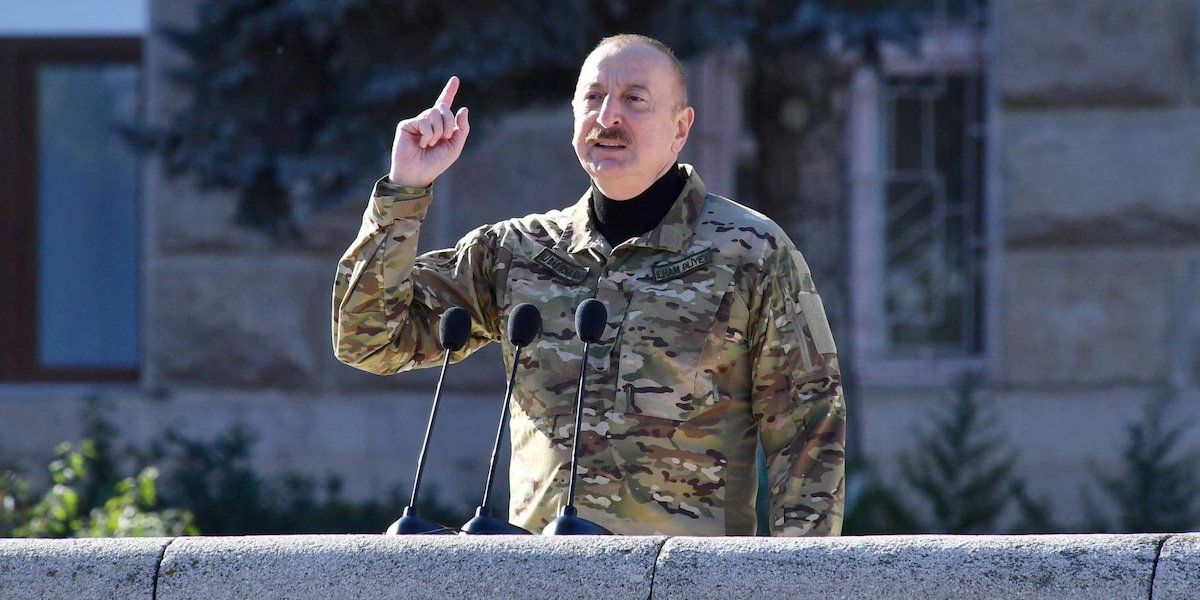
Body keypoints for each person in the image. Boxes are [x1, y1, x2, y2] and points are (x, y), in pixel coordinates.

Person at [332, 34, 845, 536]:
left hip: (683, 582)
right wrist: (406, 189)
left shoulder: (750, 251)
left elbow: (808, 427)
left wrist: (795, 578)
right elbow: (368, 340)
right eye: (593, 99)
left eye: (634, 100)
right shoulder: (517, 252)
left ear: (680, 127)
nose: (608, 118)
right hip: (541, 579)